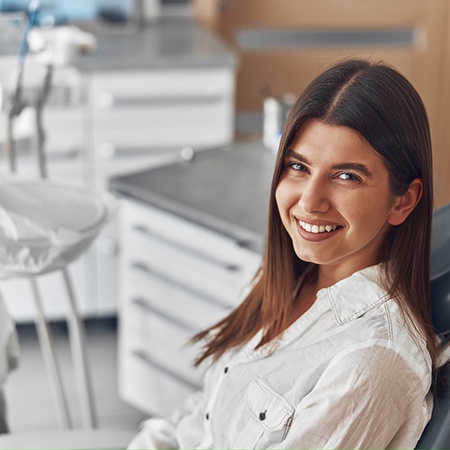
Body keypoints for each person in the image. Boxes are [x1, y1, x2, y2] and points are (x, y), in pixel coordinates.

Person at [128, 59, 447, 449]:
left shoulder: (373, 361)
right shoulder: (293, 278)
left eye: (347, 176)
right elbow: (205, 414)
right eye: (298, 166)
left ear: (404, 201)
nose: (309, 202)